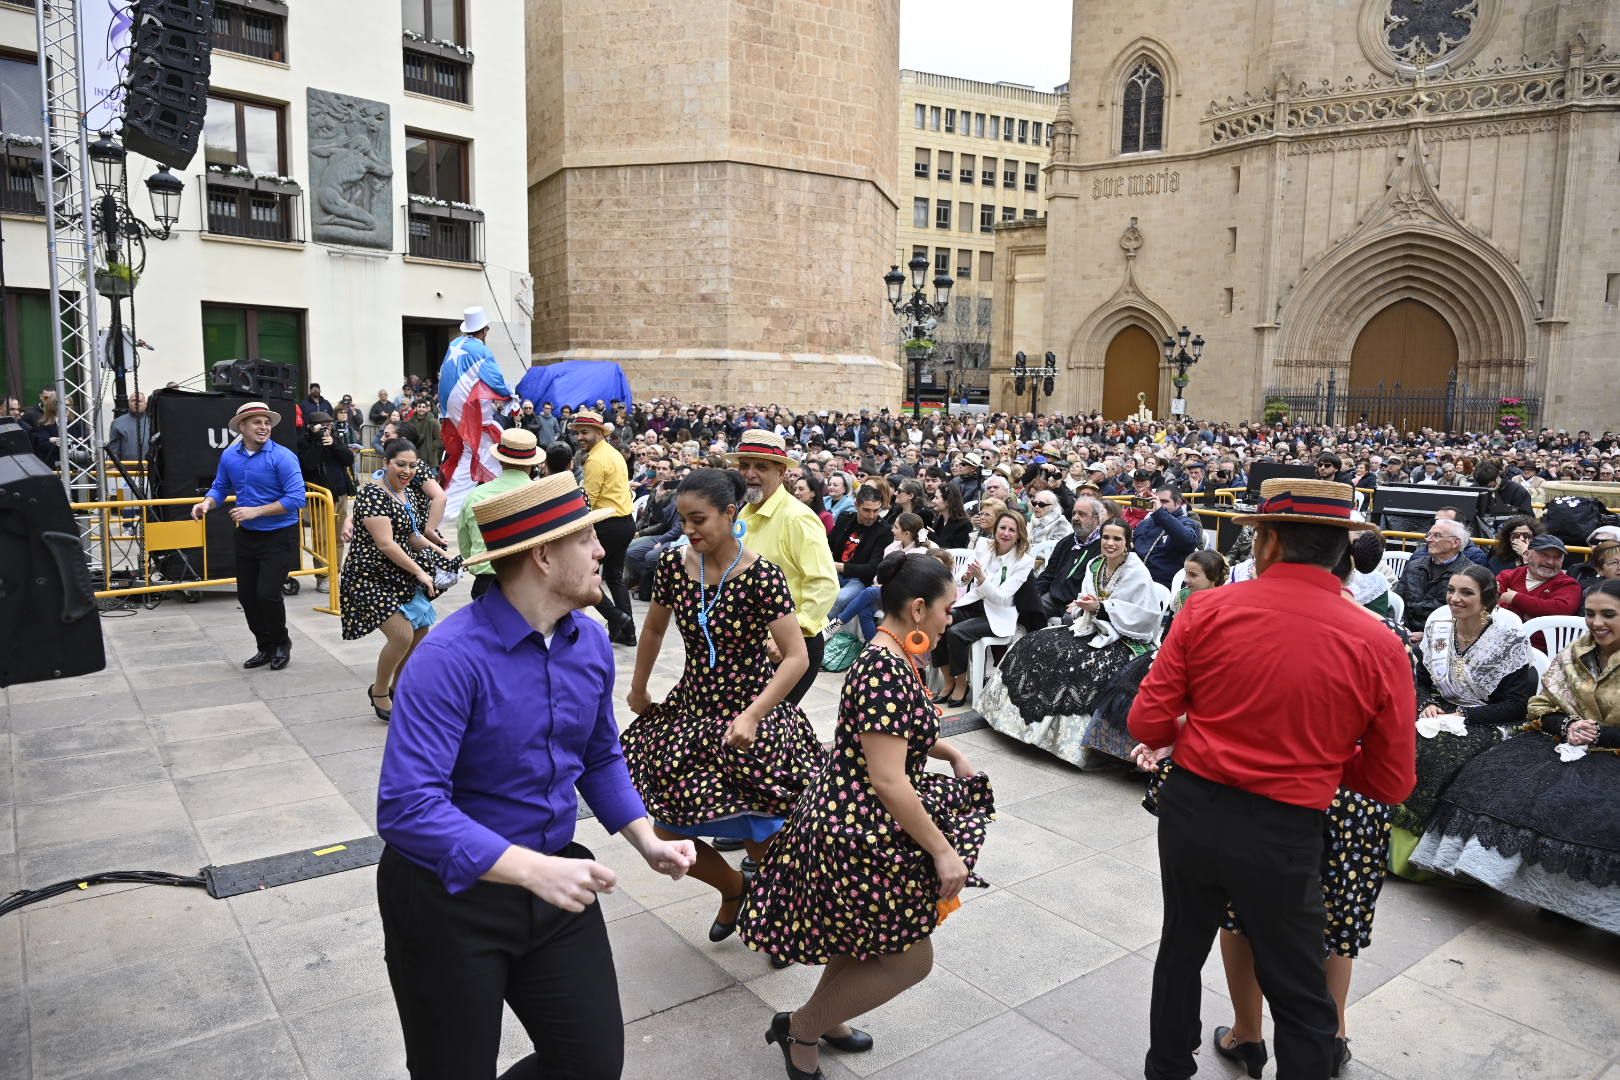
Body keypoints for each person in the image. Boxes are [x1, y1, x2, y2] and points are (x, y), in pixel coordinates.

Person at [375, 471, 697, 1078]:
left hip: (553, 886)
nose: (604, 550)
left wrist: (645, 837)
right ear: (544, 556)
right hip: (446, 900)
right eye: (587, 539)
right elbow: (407, 808)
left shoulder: (591, 642)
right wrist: (532, 868)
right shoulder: (449, 659)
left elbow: (599, 755)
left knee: (590, 1064)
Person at [1127, 477, 1416, 1080]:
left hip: (1195, 810)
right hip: (1287, 826)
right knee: (1300, 984)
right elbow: (1392, 782)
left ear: (1268, 542)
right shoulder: (1377, 642)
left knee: (1181, 949)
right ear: (1341, 551)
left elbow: (1147, 721)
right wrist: (1321, 759)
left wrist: (1200, 733)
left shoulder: (1207, 609)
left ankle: (1169, 1067)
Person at [738, 551, 994, 1078]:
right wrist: (943, 852)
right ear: (919, 609)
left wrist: (954, 754)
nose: (953, 617)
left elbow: (899, 738)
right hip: (858, 829)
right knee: (908, 958)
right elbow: (888, 778)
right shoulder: (883, 668)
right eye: (948, 607)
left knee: (863, 937)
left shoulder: (896, 658)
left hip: (861, 818)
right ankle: (802, 1029)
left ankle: (826, 1020)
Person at [620, 469, 823, 943]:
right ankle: (734, 889)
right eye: (683, 520)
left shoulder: (762, 575)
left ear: (730, 515)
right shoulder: (674, 566)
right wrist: (638, 687)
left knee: (762, 834)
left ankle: (781, 915)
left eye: (699, 520)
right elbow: (652, 630)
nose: (690, 531)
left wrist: (753, 714)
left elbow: (796, 657)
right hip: (692, 708)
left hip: (751, 709)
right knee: (669, 831)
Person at [1413, 581, 1620, 932]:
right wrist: (1566, 724)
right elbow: (1539, 706)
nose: (1596, 622)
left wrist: (1603, 733)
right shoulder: (1574, 653)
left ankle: (1569, 906)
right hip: (1561, 739)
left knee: (1588, 804)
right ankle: (1482, 877)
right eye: (1590, 614)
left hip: (1613, 752)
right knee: (1490, 774)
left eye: (1608, 615)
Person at [1385, 563, 1534, 879]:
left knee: (1436, 751)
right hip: (1440, 711)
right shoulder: (1439, 629)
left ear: (1487, 600)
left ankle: (1411, 855)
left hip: (1487, 719)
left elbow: (1517, 706)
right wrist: (1426, 704)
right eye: (1452, 590)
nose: (1455, 598)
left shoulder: (1508, 640)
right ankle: (1375, 834)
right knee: (1387, 731)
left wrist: (1464, 715)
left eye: (1467, 592)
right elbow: (1421, 679)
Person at [980, 518, 1160, 767]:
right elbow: (1085, 598)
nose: (1110, 543)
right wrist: (1081, 606)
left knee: (1077, 663)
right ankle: (1012, 723)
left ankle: (1066, 744)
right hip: (1091, 627)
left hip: (1125, 636)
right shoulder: (1096, 564)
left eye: (1117, 539)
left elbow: (1144, 616)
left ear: (1127, 543)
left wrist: (1102, 607)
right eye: (1106, 537)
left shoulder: (1137, 571)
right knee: (1033, 642)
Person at [341, 437, 462, 721]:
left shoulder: (402, 493)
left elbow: (412, 536)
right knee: (401, 634)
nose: (407, 471)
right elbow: (386, 544)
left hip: (397, 575)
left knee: (420, 633)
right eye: (400, 464)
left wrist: (443, 553)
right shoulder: (373, 494)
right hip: (368, 577)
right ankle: (380, 691)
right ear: (386, 463)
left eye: (412, 465)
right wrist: (420, 571)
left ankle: (399, 688)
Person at [193, 402, 307, 671]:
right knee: (247, 596)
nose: (264, 427)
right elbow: (220, 487)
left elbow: (296, 498)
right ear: (242, 426)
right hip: (247, 536)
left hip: (279, 535)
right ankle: (264, 647)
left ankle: (281, 644)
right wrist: (207, 503)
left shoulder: (283, 456)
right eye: (257, 422)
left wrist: (256, 512)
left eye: (266, 422)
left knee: (267, 594)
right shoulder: (230, 456)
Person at [731, 430, 838, 704]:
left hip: (788, 647)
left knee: (766, 732)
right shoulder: (745, 512)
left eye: (761, 466)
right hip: (751, 645)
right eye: (744, 465)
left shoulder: (798, 518)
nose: (750, 473)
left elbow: (825, 585)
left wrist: (791, 635)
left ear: (781, 472)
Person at [930, 509, 1035, 708]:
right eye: (1002, 528)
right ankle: (949, 680)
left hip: (997, 613)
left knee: (957, 633)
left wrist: (982, 578)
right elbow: (960, 581)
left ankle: (962, 685)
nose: (1005, 533)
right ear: (995, 529)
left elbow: (1003, 599)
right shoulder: (984, 547)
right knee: (939, 619)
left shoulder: (1024, 561)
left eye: (1012, 530)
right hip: (974, 604)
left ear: (1019, 534)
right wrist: (966, 576)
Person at [438, 306, 515, 521]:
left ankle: (501, 502)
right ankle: (447, 511)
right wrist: (512, 398)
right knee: (480, 454)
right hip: (472, 416)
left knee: (485, 454)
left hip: (452, 413)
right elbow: (497, 382)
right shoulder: (481, 350)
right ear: (484, 330)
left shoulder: (454, 344)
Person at [573, 407, 638, 646]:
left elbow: (587, 501)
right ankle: (627, 632)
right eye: (578, 432)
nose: (580, 437)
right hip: (624, 523)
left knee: (583, 576)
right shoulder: (612, 453)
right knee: (614, 577)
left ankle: (614, 616)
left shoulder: (596, 460)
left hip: (607, 525)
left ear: (599, 433)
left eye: (584, 432)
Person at [456, 428, 541, 600]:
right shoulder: (541, 495)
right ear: (532, 464)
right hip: (530, 582)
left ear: (500, 461)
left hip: (485, 583)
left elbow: (465, 544)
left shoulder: (476, 496)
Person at [825, 511, 931, 641]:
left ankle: (835, 624)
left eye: (896, 527)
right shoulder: (892, 547)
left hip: (908, 597)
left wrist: (881, 584)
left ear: (907, 534)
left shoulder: (920, 553)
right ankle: (874, 645)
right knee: (865, 609)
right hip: (886, 592)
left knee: (870, 591)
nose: (892, 529)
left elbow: (911, 583)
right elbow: (880, 574)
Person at [1028, 495, 1104, 622]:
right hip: (1055, 597)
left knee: (1070, 620)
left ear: (1096, 518)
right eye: (1074, 513)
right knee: (1029, 609)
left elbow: (1100, 585)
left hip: (1081, 602)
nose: (1075, 518)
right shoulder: (1065, 542)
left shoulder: (1104, 545)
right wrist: (1034, 594)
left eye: (1082, 514)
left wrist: (1081, 602)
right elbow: (1048, 574)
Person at [1396, 518, 1472, 634]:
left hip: (1442, 636)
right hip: (1405, 632)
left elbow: (1464, 617)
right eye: (1429, 535)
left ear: (1455, 542)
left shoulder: (1468, 574)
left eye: (1437, 536)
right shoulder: (1414, 566)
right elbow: (1398, 601)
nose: (1429, 540)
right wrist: (1402, 629)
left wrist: (1427, 635)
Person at [826, 486, 892, 617]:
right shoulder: (845, 518)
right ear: (856, 505)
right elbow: (828, 545)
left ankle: (819, 634)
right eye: (866, 510)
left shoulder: (884, 531)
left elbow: (873, 568)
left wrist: (839, 567)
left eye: (876, 510)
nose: (871, 516)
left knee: (839, 599)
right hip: (834, 571)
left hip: (859, 580)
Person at [1497, 534, 1583, 632]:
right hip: (1502, 638)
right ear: (1526, 554)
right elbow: (1488, 602)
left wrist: (1515, 598)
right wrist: (1530, 613)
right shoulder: (1507, 576)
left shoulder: (1568, 584)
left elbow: (1561, 610)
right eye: (1544, 555)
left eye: (1557, 557)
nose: (1550, 562)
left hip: (1543, 645)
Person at [1134, 484, 1202, 587]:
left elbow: (1188, 541)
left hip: (1165, 584)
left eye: (1164, 501)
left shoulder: (1188, 522)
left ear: (1178, 503)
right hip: (1138, 579)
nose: (1159, 504)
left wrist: (1160, 513)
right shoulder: (1145, 523)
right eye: (1157, 500)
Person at [1026, 486, 1074, 564]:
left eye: (1041, 504)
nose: (1037, 507)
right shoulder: (1032, 520)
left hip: (1048, 567)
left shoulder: (1061, 524)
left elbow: (1054, 552)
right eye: (1034, 503)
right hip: (1028, 562)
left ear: (1052, 507)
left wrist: (1026, 549)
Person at [105, 391, 150, 465]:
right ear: (128, 403)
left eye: (139, 401)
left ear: (146, 404)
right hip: (126, 471)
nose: (136, 403)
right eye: (133, 401)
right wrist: (112, 466)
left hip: (151, 470)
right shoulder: (117, 423)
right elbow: (114, 450)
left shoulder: (154, 422)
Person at [929, 483, 972, 549]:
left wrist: (932, 536)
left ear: (948, 501)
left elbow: (955, 552)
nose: (933, 501)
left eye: (936, 498)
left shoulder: (964, 525)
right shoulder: (941, 519)